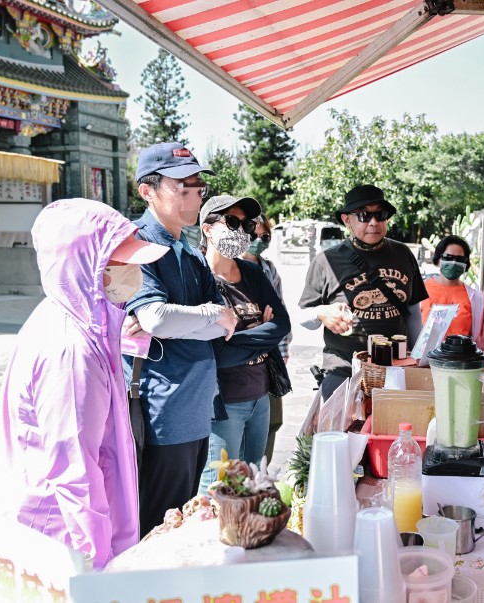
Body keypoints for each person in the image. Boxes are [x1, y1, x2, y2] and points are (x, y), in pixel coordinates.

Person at [0, 198, 169, 569]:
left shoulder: (67, 315)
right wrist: (98, 562)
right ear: (86, 267)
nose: (134, 273)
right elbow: (74, 471)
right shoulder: (71, 352)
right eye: (123, 263)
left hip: (56, 531)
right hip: (60, 540)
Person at [125, 142, 239, 536]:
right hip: (163, 411)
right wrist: (205, 315)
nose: (193, 194)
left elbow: (227, 323)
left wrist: (188, 319)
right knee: (156, 528)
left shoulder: (189, 252)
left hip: (196, 408)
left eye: (197, 185)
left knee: (182, 523)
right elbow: (156, 318)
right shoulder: (135, 246)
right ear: (147, 191)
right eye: (181, 185)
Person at [197, 196, 291, 493]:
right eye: (233, 223)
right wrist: (263, 333)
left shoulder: (252, 272)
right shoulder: (198, 277)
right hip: (225, 406)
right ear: (207, 229)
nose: (243, 232)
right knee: (219, 493)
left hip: (260, 398)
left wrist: (238, 337)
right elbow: (215, 353)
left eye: (247, 224)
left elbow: (283, 324)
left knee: (252, 488)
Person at [299, 184, 428, 400]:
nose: (373, 222)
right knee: (342, 431)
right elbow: (303, 316)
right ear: (346, 220)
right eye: (363, 216)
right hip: (344, 368)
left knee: (394, 429)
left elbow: (413, 310)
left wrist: (417, 359)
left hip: (395, 366)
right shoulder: (326, 261)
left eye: (380, 215)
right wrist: (321, 312)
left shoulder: (403, 253)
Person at [242, 214, 292, 462]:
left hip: (271, 358)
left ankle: (262, 478)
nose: (258, 241)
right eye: (253, 235)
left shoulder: (268, 268)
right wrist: (261, 324)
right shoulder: (230, 268)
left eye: (264, 237)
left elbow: (279, 314)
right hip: (240, 366)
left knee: (272, 421)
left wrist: (282, 351)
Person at [421, 235, 484, 352]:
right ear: (438, 260)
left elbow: (480, 341)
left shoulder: (475, 298)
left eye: (460, 259)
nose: (453, 262)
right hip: (423, 364)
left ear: (465, 264)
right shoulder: (419, 290)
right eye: (448, 257)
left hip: (460, 365)